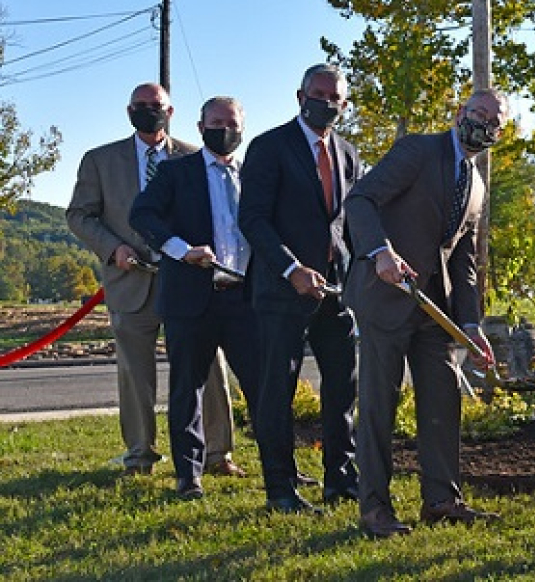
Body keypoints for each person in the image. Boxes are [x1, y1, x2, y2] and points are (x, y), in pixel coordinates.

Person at [343, 88, 508, 539]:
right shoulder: (419, 149)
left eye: (495, 123)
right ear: (460, 113)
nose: (485, 125)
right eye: (479, 114)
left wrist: (470, 325)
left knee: (443, 396)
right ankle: (374, 507)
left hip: (433, 309)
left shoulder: (476, 183)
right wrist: (381, 252)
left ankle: (441, 500)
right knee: (380, 403)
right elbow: (360, 200)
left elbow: (464, 261)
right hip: (384, 295)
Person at [66, 82, 243, 478]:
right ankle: (140, 454)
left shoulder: (198, 155)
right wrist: (113, 249)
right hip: (130, 279)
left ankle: (218, 453)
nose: (149, 111)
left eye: (156, 105)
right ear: (129, 111)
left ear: (172, 111)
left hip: (193, 280)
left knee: (209, 368)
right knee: (135, 372)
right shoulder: (100, 160)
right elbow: (79, 215)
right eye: (140, 106)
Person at [238, 64, 362, 515]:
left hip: (335, 291)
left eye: (335, 98)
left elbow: (348, 223)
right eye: (318, 94)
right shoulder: (270, 148)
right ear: (300, 95)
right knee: (278, 392)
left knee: (343, 388)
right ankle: (281, 489)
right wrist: (291, 268)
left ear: (344, 105)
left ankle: (341, 480)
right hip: (281, 292)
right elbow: (252, 218)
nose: (326, 102)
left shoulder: (348, 153)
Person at [127, 96, 262, 499]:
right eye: (216, 123)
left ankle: (281, 469)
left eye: (232, 123)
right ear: (200, 128)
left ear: (243, 126)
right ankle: (190, 476)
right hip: (191, 299)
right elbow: (142, 215)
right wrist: (180, 249)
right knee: (188, 390)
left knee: (262, 385)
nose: (225, 130)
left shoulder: (254, 174)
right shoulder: (176, 172)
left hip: (245, 299)